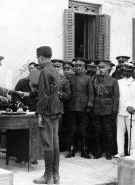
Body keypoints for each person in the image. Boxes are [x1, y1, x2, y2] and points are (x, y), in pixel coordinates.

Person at [33, 46, 63, 184]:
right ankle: (56, 175)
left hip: (47, 111)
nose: (37, 60)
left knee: (47, 143)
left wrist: (39, 113)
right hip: (56, 109)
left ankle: (48, 176)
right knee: (55, 142)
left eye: (37, 57)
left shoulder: (44, 71)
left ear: (41, 57)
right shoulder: (55, 70)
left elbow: (43, 95)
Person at [64, 58, 94, 159]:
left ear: (84, 67)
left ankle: (84, 151)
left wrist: (89, 105)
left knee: (83, 130)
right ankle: (72, 150)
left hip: (84, 108)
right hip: (71, 107)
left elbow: (91, 93)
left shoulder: (88, 78)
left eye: (80, 66)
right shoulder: (69, 78)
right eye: (76, 66)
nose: (77, 67)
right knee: (72, 130)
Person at [92, 60, 119, 160]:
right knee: (97, 130)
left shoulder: (113, 81)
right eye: (99, 67)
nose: (100, 69)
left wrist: (114, 110)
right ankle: (98, 151)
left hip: (108, 108)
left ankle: (109, 151)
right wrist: (96, 76)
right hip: (97, 107)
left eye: (102, 67)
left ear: (109, 69)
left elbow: (116, 96)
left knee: (108, 131)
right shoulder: (95, 79)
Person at [114, 62, 133, 158]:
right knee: (120, 132)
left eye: (128, 71)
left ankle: (130, 152)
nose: (126, 72)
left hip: (130, 112)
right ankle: (120, 152)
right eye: (124, 70)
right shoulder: (118, 81)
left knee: (131, 133)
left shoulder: (134, 81)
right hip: (120, 110)